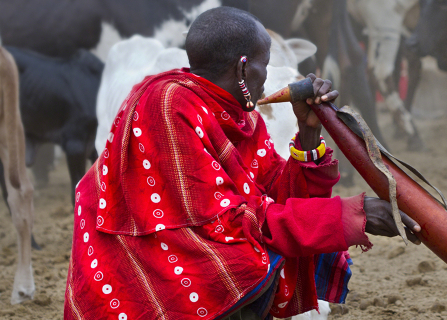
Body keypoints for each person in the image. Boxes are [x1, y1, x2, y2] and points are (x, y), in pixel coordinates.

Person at [63, 6, 421, 320]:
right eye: (266, 64)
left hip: (197, 250)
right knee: (246, 262)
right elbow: (231, 224)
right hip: (146, 270)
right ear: (244, 68)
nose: (269, 76)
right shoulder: (167, 106)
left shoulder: (236, 113)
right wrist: (354, 216)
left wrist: (308, 133)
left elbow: (276, 196)